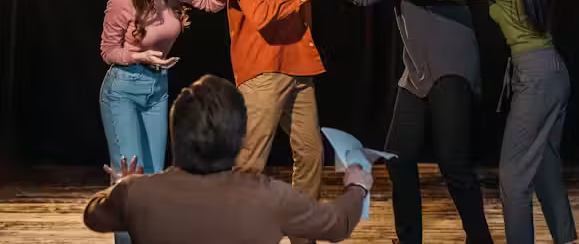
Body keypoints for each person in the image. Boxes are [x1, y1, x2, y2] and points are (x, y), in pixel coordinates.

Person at [283, 0, 493, 244]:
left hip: (449, 66)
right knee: (399, 157)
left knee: (454, 164)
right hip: (417, 72)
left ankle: (481, 240)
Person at [365, 0, 577, 244]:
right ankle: (565, 237)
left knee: (513, 177)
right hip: (552, 71)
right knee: (545, 163)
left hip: (535, 76)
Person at [84, 74, 373, 244]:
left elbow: (94, 216)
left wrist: (121, 185)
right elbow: (336, 224)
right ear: (239, 139)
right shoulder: (270, 196)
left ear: (176, 134)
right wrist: (357, 187)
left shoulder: (137, 194)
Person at [99, 0, 252, 242]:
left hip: (157, 89)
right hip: (123, 90)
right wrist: (139, 56)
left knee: (154, 177)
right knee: (129, 178)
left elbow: (206, 0)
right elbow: (108, 50)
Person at [221, 0, 344, 244]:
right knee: (250, 161)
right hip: (264, 67)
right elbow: (260, 14)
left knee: (311, 155)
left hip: (297, 63)